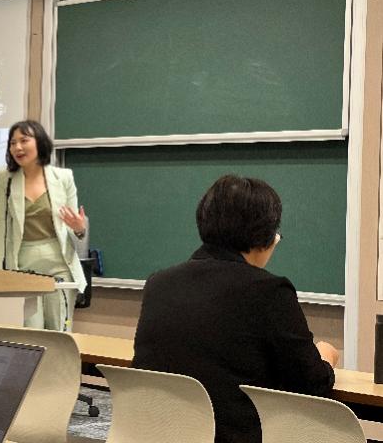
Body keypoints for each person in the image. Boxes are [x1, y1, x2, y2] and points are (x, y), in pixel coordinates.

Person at [132, 174, 338, 443]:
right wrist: (326, 357)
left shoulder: (159, 283)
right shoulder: (269, 291)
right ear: (264, 236)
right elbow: (311, 384)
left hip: (156, 434)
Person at [0, 120, 87, 331]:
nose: (17, 147)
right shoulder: (7, 179)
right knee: (29, 333)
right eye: (13, 143)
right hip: (23, 264)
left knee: (59, 332)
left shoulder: (63, 177)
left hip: (59, 264)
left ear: (40, 142)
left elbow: (73, 226)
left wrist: (79, 228)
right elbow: (0, 225)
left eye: (24, 140)